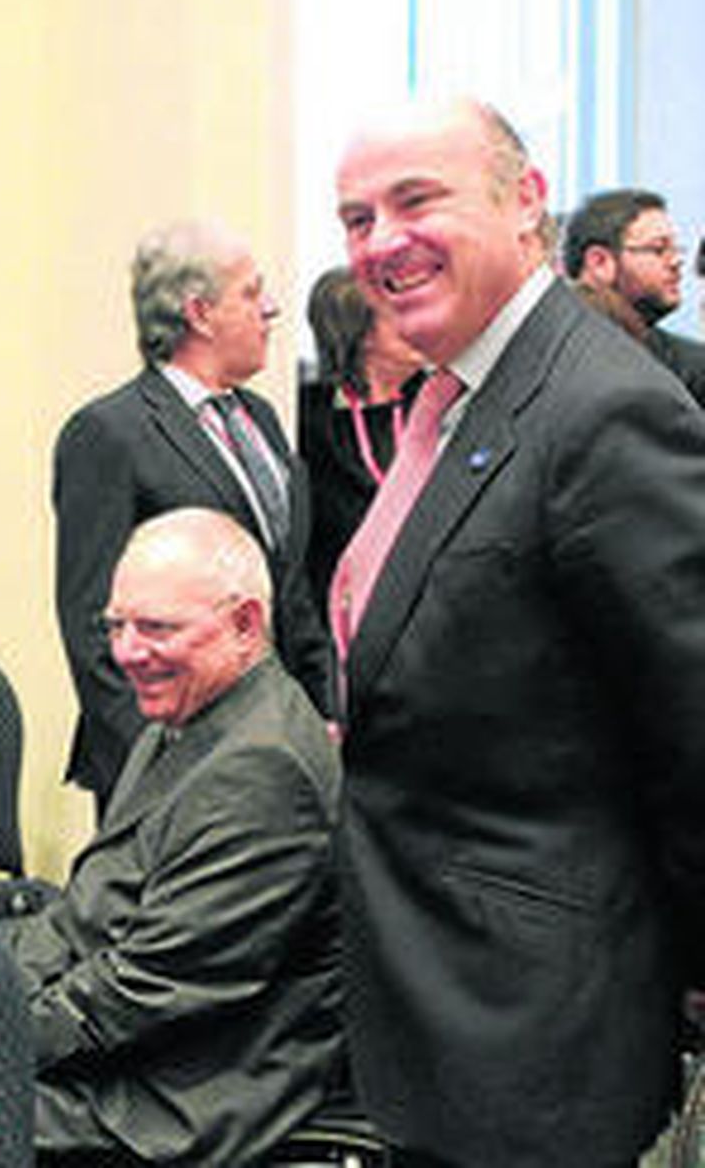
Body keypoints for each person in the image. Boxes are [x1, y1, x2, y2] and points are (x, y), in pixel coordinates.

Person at [332, 96, 705, 1167]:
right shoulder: (453, 405)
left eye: (416, 200)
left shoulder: (599, 410)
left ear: (526, 203)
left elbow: (692, 731)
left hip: (543, 1043)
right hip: (439, 1019)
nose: (380, 241)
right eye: (355, 218)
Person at [15, 508, 342, 1166]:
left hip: (177, 1095)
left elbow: (144, 990)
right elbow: (86, 916)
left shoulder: (262, 766)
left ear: (245, 624)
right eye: (117, 626)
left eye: (157, 628)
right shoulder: (186, 718)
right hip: (130, 1050)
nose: (128, 652)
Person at [53, 220, 333, 817]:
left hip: (277, 746)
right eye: (252, 294)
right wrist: (155, 768)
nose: (272, 310)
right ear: (200, 313)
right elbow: (91, 624)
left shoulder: (260, 418)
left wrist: (322, 712)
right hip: (172, 769)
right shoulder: (109, 434)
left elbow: (288, 583)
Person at [297, 265, 427, 615]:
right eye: (399, 315)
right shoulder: (308, 423)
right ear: (362, 334)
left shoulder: (441, 401)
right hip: (347, 613)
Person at [562, 187, 705, 402]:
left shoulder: (693, 369)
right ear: (599, 262)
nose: (676, 262)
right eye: (659, 249)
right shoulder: (555, 353)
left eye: (675, 249)